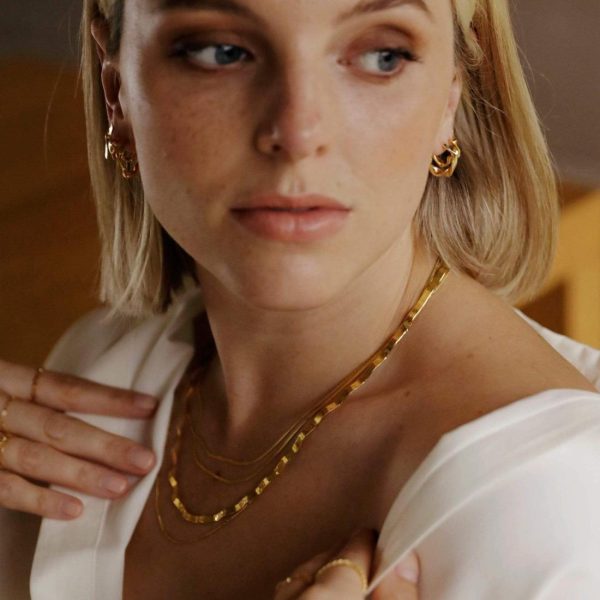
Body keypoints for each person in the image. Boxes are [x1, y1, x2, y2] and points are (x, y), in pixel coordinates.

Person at [1, 0, 599, 598]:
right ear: (118, 93)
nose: (297, 133)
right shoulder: (94, 368)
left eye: (381, 56)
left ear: (451, 98)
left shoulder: (541, 511)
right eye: (219, 52)